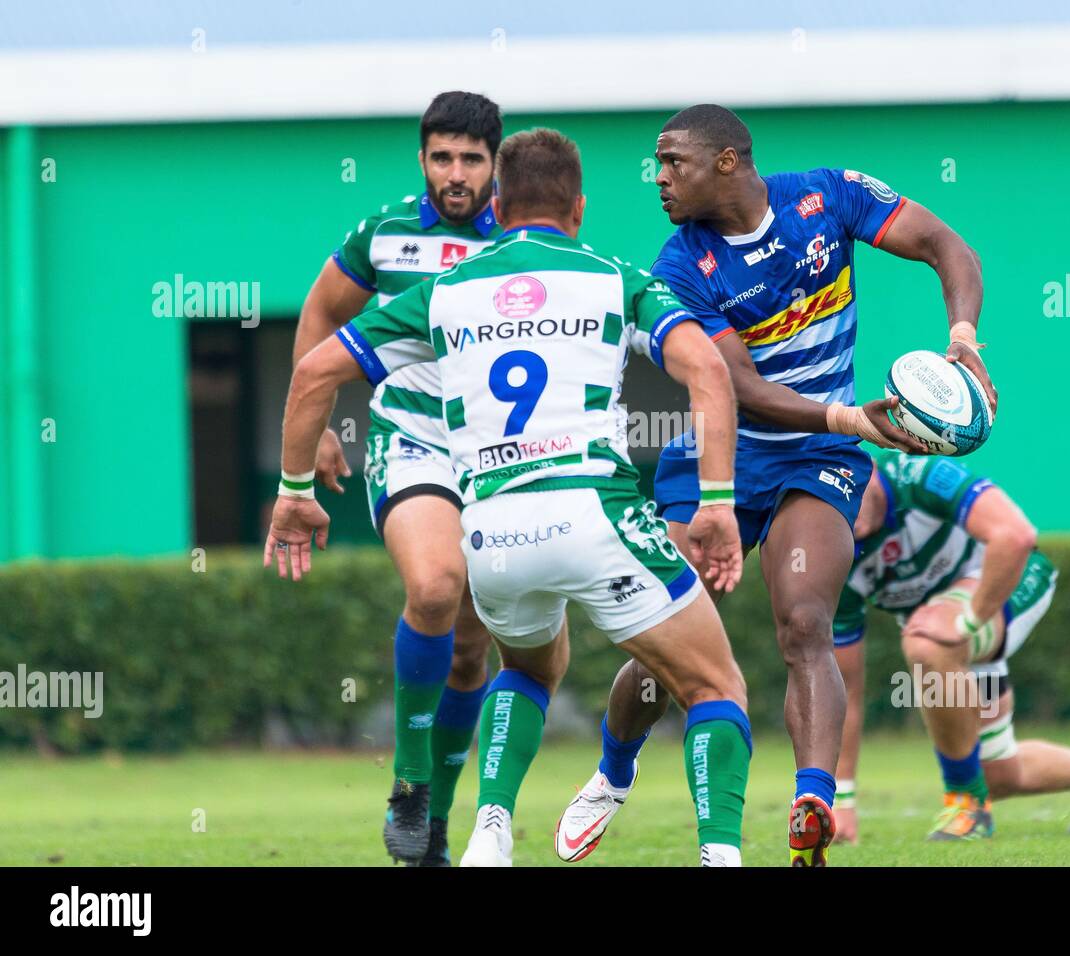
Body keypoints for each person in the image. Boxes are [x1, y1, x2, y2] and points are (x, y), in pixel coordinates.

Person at [267, 127, 754, 867]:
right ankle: (723, 858)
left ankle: (490, 829)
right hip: (596, 514)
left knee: (527, 668)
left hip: (490, 535)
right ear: (579, 208)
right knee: (713, 682)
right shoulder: (613, 278)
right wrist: (715, 503)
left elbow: (312, 375)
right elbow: (708, 373)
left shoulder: (443, 292)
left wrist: (296, 490)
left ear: (497, 200)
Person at [555, 103, 994, 866]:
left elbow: (945, 245)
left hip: (818, 457)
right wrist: (852, 418)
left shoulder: (827, 197)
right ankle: (612, 771)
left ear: (727, 162)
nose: (658, 180)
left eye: (673, 164)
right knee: (673, 641)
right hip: (720, 458)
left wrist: (963, 340)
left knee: (805, 623)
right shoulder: (678, 268)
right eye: (657, 165)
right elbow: (743, 389)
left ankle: (813, 801)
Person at [289, 91, 503, 866]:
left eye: (471, 160)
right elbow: (318, 316)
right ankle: (409, 784)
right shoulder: (383, 232)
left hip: (499, 455)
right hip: (410, 440)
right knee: (436, 588)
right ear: (422, 159)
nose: (455, 174)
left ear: (495, 164)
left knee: (473, 649)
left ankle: (435, 828)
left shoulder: (522, 235)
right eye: (442, 157)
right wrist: (313, 434)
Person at [828, 449, 1070, 841]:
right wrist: (840, 799)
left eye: (848, 488)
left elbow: (1016, 536)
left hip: (1012, 583)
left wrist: (967, 621)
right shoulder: (835, 551)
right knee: (997, 774)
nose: (842, 505)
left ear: (868, 465)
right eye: (828, 497)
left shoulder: (918, 475)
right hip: (948, 627)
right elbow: (843, 686)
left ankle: (965, 803)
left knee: (926, 642)